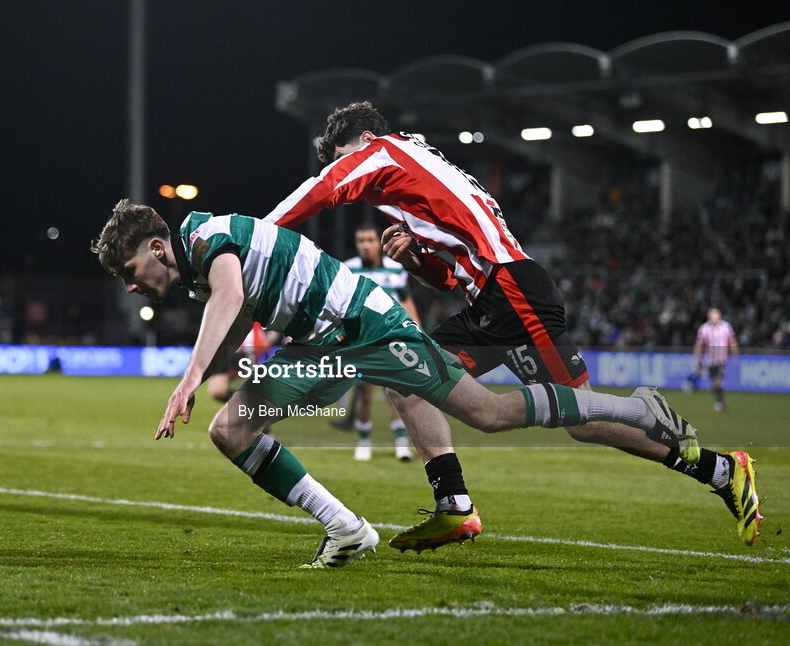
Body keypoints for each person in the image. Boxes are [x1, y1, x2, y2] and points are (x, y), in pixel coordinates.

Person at [91, 200, 734, 566]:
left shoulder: (201, 233)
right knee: (230, 427)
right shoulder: (201, 269)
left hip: (369, 328)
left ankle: (637, 409)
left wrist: (191, 375)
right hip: (321, 346)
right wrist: (224, 369)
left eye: (129, 267)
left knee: (487, 412)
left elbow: (231, 294)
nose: (129, 282)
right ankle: (349, 529)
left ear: (157, 243)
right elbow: (236, 309)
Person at [263, 101, 761, 546]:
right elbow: (446, 277)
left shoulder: (386, 152)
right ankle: (454, 506)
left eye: (342, 152)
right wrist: (414, 257)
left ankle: (714, 464)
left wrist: (256, 239)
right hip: (489, 302)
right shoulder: (417, 178)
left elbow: (322, 189)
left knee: (583, 425)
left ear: (365, 141)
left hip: (514, 290)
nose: (340, 163)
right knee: (406, 378)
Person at [338, 222, 420, 462]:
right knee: (364, 392)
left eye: (370, 240)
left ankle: (401, 444)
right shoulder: (348, 269)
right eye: (361, 241)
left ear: (379, 242)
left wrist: (416, 327)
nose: (365, 246)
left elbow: (406, 299)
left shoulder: (396, 270)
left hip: (393, 337)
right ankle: (364, 441)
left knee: (396, 391)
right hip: (363, 339)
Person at [694, 307, 739, 413]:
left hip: (721, 359)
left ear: (719, 315)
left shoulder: (726, 326)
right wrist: (698, 358)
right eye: (711, 315)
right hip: (710, 360)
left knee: (718, 381)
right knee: (714, 383)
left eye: (715, 314)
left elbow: (732, 341)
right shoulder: (704, 328)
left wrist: (735, 353)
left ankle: (718, 404)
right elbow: (699, 344)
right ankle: (722, 401)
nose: (713, 317)